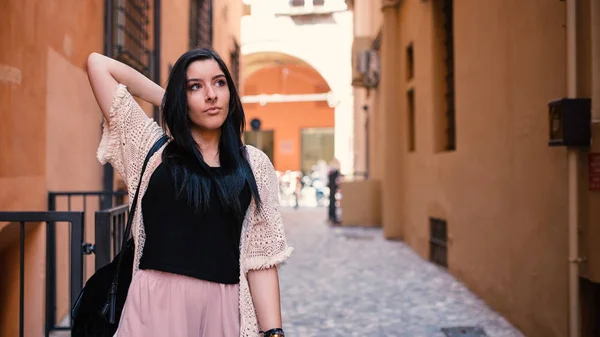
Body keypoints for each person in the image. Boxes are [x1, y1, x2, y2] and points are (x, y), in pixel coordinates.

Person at [86, 48, 293, 337]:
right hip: (154, 308)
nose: (211, 95)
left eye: (219, 83)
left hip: (222, 311)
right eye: (195, 86)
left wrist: (274, 332)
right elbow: (98, 65)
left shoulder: (254, 166)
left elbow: (261, 259)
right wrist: (172, 103)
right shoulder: (150, 150)